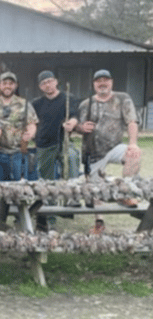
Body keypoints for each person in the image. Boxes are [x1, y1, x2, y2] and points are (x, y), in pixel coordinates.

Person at [78, 69, 142, 232]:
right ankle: (100, 223)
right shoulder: (86, 104)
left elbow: (132, 122)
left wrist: (133, 144)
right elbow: (77, 126)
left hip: (115, 147)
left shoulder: (123, 98)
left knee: (134, 154)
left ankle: (125, 193)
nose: (102, 83)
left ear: (111, 82)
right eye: (98, 81)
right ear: (94, 84)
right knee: (96, 188)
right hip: (93, 152)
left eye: (106, 80)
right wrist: (81, 127)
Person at [32, 71, 81, 230]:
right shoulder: (36, 103)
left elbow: (74, 115)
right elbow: (31, 122)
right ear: (40, 87)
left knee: (72, 157)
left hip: (63, 142)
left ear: (56, 82)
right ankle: (49, 215)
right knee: (46, 180)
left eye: (50, 81)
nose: (48, 84)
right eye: (44, 83)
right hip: (44, 144)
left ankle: (71, 197)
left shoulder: (68, 98)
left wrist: (71, 123)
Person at [0, 72, 38, 182]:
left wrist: (30, 133)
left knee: (18, 189)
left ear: (15, 86)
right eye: (4, 83)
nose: (7, 86)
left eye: (11, 83)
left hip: (18, 153)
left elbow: (32, 124)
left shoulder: (24, 104)